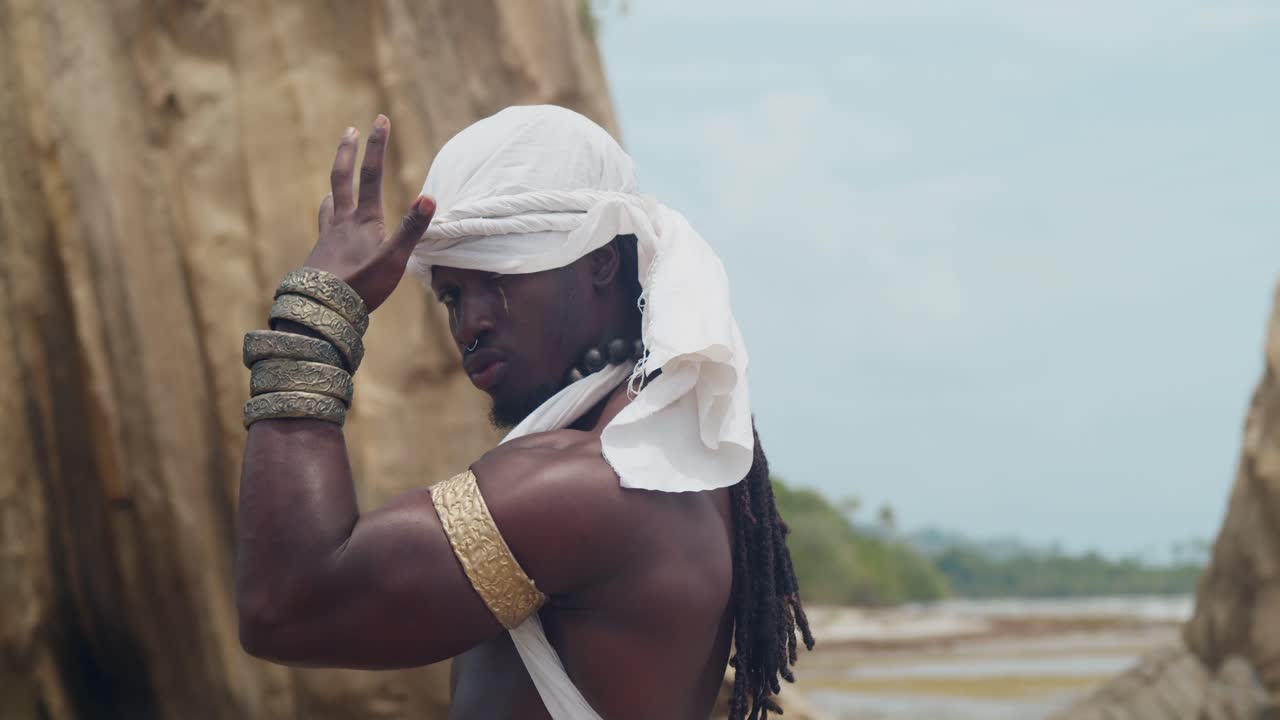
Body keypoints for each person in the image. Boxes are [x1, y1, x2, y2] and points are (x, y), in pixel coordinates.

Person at [235, 105, 813, 720]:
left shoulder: (585, 486)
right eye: (452, 295)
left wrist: (317, 316)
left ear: (601, 261)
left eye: (498, 278)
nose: (469, 323)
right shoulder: (669, 462)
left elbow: (285, 607)